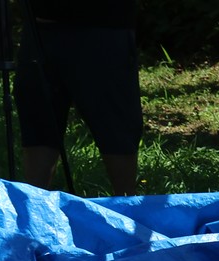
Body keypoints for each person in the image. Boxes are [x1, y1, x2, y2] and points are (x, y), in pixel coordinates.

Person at [15, 0, 142, 197]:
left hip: (103, 26)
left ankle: (126, 203)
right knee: (38, 119)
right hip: (39, 26)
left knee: (115, 123)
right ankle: (33, 202)